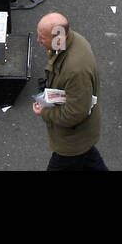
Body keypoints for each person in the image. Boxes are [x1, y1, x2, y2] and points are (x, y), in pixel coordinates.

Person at [32, 12, 107, 171]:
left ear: (59, 38)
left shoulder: (75, 70)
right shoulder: (73, 41)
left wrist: (44, 112)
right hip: (81, 136)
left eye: (42, 37)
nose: (38, 40)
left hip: (72, 141)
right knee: (90, 162)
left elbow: (74, 113)